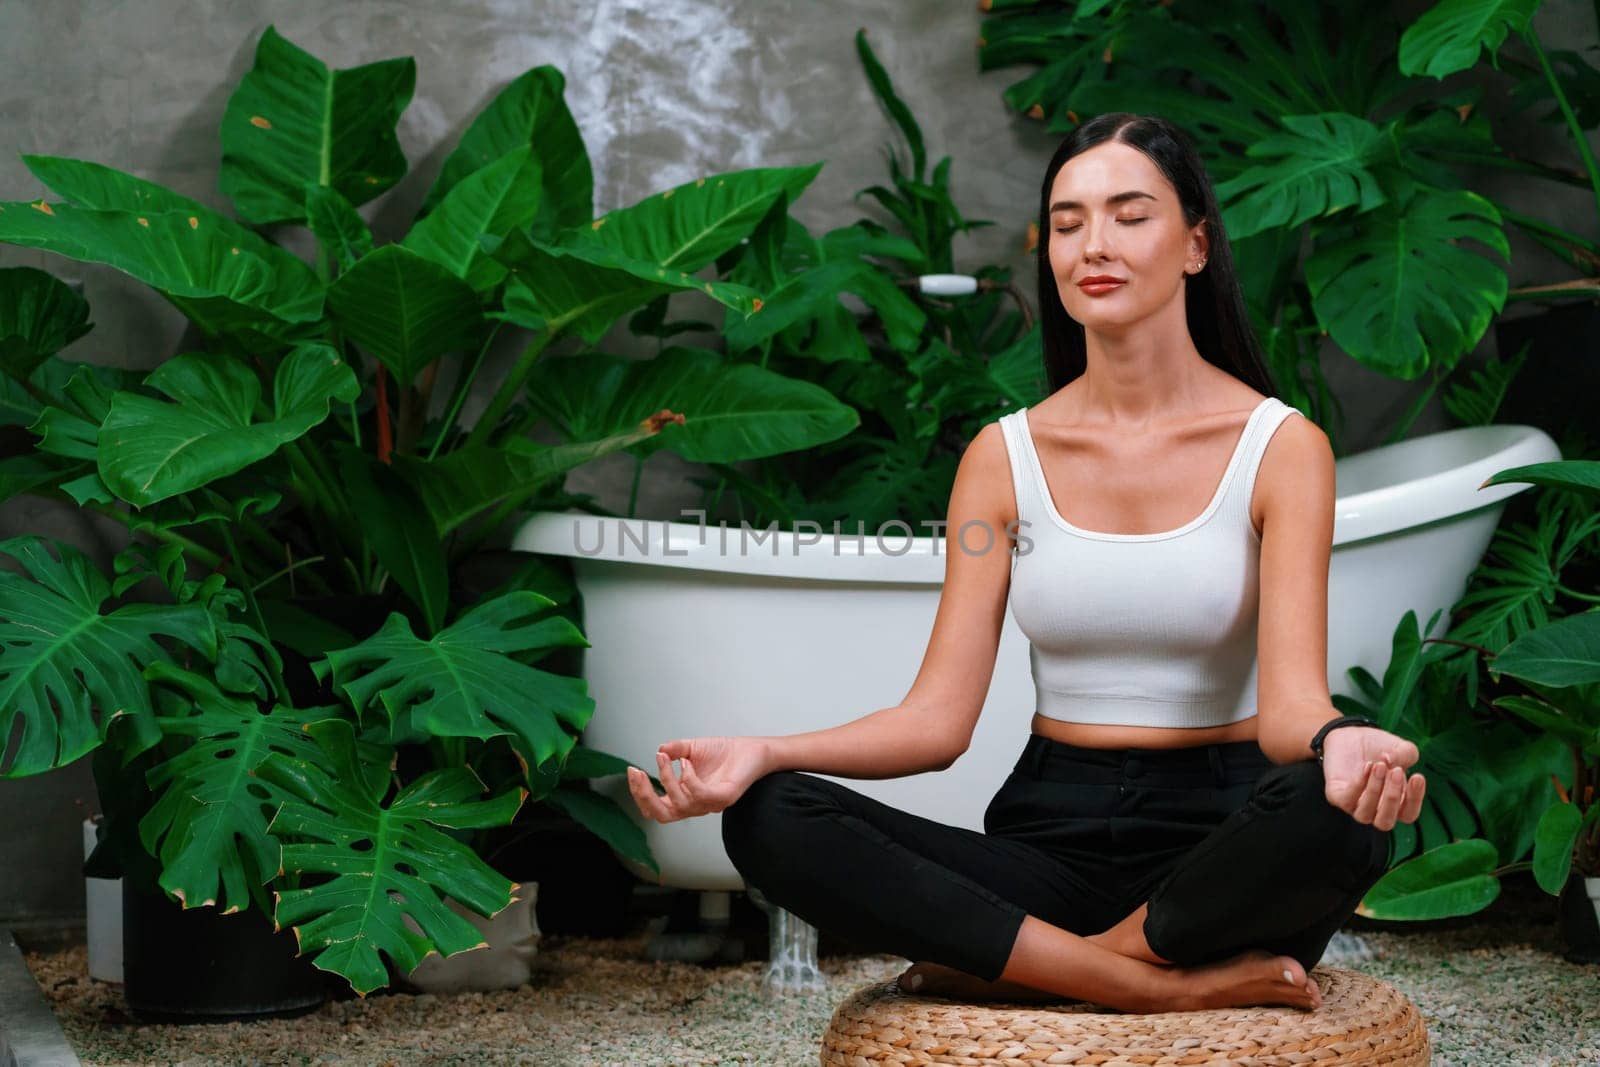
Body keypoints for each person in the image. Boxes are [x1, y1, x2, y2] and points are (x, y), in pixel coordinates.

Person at [624, 112, 1427, 1014]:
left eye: (1131, 215)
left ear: (1197, 244)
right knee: (771, 815)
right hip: (1049, 837)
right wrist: (762, 750)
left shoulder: (1281, 447)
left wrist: (1339, 744)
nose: (1096, 244)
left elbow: (1289, 714)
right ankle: (1147, 987)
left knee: (1344, 808)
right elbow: (937, 719)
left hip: (1218, 850)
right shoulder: (1003, 458)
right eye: (1069, 221)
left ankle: (1046, 967)